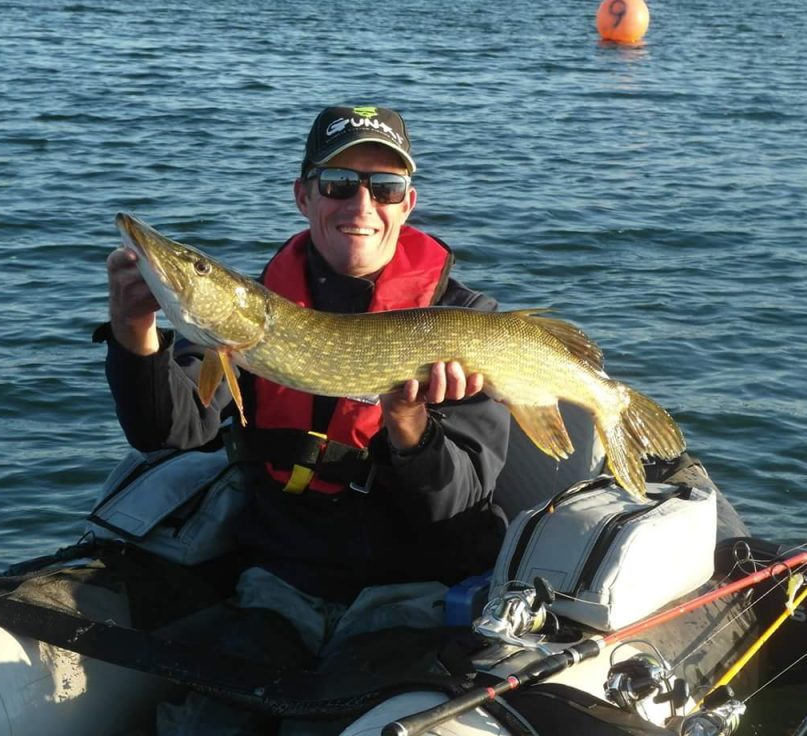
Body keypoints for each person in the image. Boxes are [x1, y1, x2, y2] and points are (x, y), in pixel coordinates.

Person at [98, 105, 511, 733]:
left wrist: (410, 426)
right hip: (278, 585)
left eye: (385, 187)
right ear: (303, 196)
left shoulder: (466, 324)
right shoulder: (253, 312)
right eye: (339, 184)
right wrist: (134, 332)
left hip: (410, 597)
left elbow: (457, 505)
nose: (361, 204)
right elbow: (170, 434)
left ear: (408, 203)